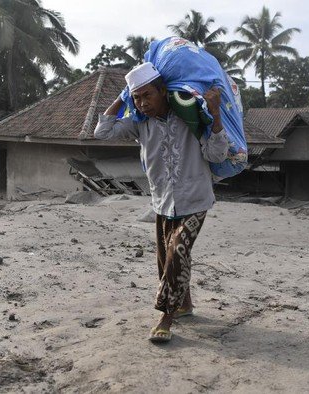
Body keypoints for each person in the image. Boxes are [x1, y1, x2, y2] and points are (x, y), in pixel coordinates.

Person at [93, 62, 229, 343]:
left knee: (177, 251)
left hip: (196, 198)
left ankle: (166, 316)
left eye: (147, 95)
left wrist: (215, 115)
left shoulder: (191, 117)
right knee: (169, 258)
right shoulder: (139, 125)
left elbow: (216, 155)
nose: (142, 103)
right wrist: (123, 96)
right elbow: (102, 132)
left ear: (164, 91)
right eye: (137, 98)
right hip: (163, 201)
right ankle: (185, 304)